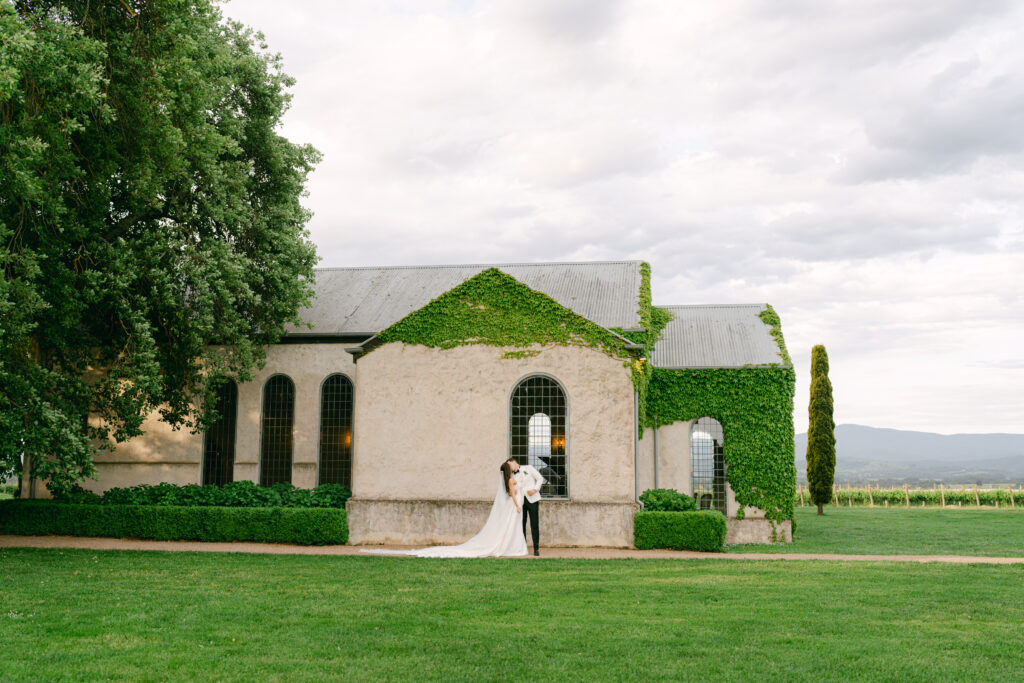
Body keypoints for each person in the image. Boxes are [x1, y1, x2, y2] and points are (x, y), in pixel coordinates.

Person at [360, 461, 528, 558]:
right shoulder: (510, 481)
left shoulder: (510, 479)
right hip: (514, 507)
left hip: (512, 507)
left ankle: (510, 546)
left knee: (510, 528)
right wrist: (517, 505)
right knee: (509, 528)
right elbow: (513, 494)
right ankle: (507, 547)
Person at [508, 458, 546, 556]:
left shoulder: (528, 468)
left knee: (534, 525)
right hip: (521, 501)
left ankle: (536, 549)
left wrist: (535, 489)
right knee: (521, 525)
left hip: (532, 499)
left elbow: (540, 478)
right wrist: (514, 490)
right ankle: (523, 548)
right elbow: (515, 488)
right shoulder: (512, 475)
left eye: (509, 465)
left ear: (514, 462)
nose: (509, 467)